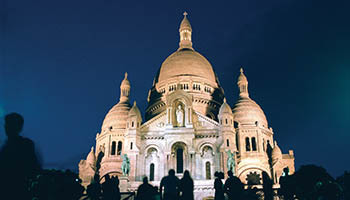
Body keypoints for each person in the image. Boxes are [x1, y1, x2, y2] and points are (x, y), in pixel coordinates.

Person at [0, 113, 41, 199]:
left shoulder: (7, 148)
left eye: (9, 124)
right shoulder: (26, 144)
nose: (6, 127)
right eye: (7, 124)